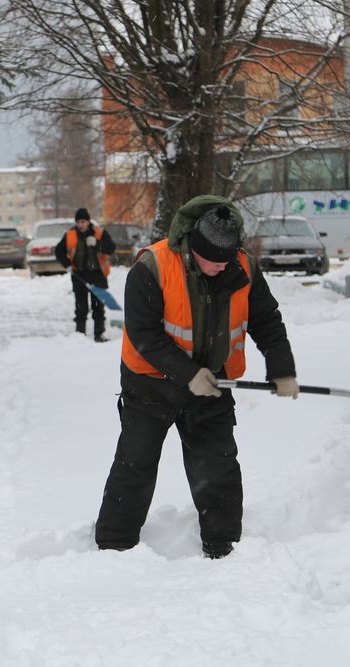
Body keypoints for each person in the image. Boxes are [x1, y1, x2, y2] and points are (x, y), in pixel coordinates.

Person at [95, 195, 299, 559]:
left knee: (217, 464)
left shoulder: (242, 268)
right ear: (193, 247)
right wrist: (188, 373)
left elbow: (267, 320)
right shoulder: (153, 266)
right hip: (150, 384)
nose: (223, 266)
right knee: (136, 464)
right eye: (214, 260)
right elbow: (145, 335)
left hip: (213, 384)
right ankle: (114, 548)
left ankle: (225, 548)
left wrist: (282, 369)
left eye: (228, 258)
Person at [55, 208, 116, 342]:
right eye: (78, 222)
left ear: (88, 222)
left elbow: (111, 247)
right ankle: (80, 335)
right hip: (79, 276)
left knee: (98, 307)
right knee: (81, 307)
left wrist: (97, 244)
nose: (81, 224)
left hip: (97, 276)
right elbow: (58, 251)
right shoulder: (70, 234)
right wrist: (68, 265)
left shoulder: (99, 233)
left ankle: (99, 334)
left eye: (83, 221)